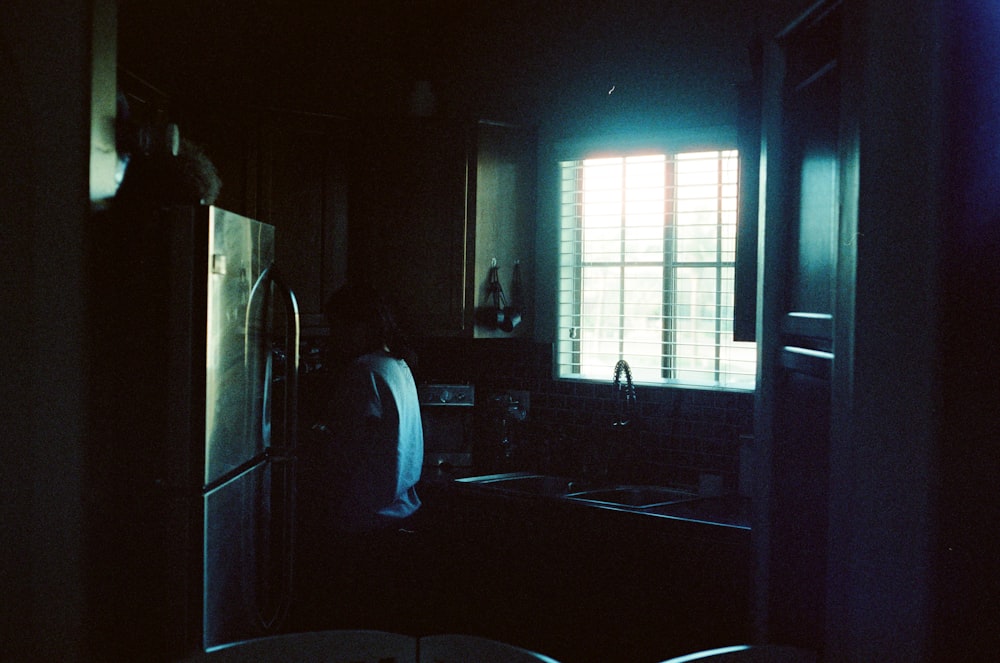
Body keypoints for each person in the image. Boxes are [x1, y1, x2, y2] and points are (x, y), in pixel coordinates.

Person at [294, 281, 425, 632]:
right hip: (398, 518)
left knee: (352, 636)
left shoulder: (363, 372)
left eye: (338, 325)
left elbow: (342, 450)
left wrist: (312, 437)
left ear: (363, 325)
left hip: (364, 529)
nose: (332, 335)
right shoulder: (397, 365)